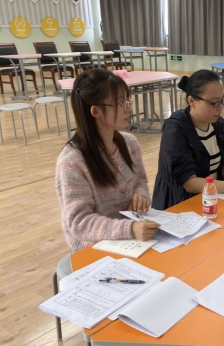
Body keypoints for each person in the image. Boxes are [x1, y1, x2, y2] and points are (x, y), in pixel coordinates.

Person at [55, 69, 159, 253]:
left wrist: (140, 195)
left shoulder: (130, 143)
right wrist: (129, 229)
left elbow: (140, 181)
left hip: (132, 240)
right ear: (95, 111)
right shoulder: (71, 162)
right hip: (94, 248)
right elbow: (79, 223)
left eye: (127, 101)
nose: (128, 108)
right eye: (120, 103)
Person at [152, 70, 224, 209]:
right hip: (180, 203)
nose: (220, 107)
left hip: (212, 199)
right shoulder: (175, 129)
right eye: (213, 103)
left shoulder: (218, 123)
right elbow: (190, 183)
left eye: (222, 100)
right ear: (191, 101)